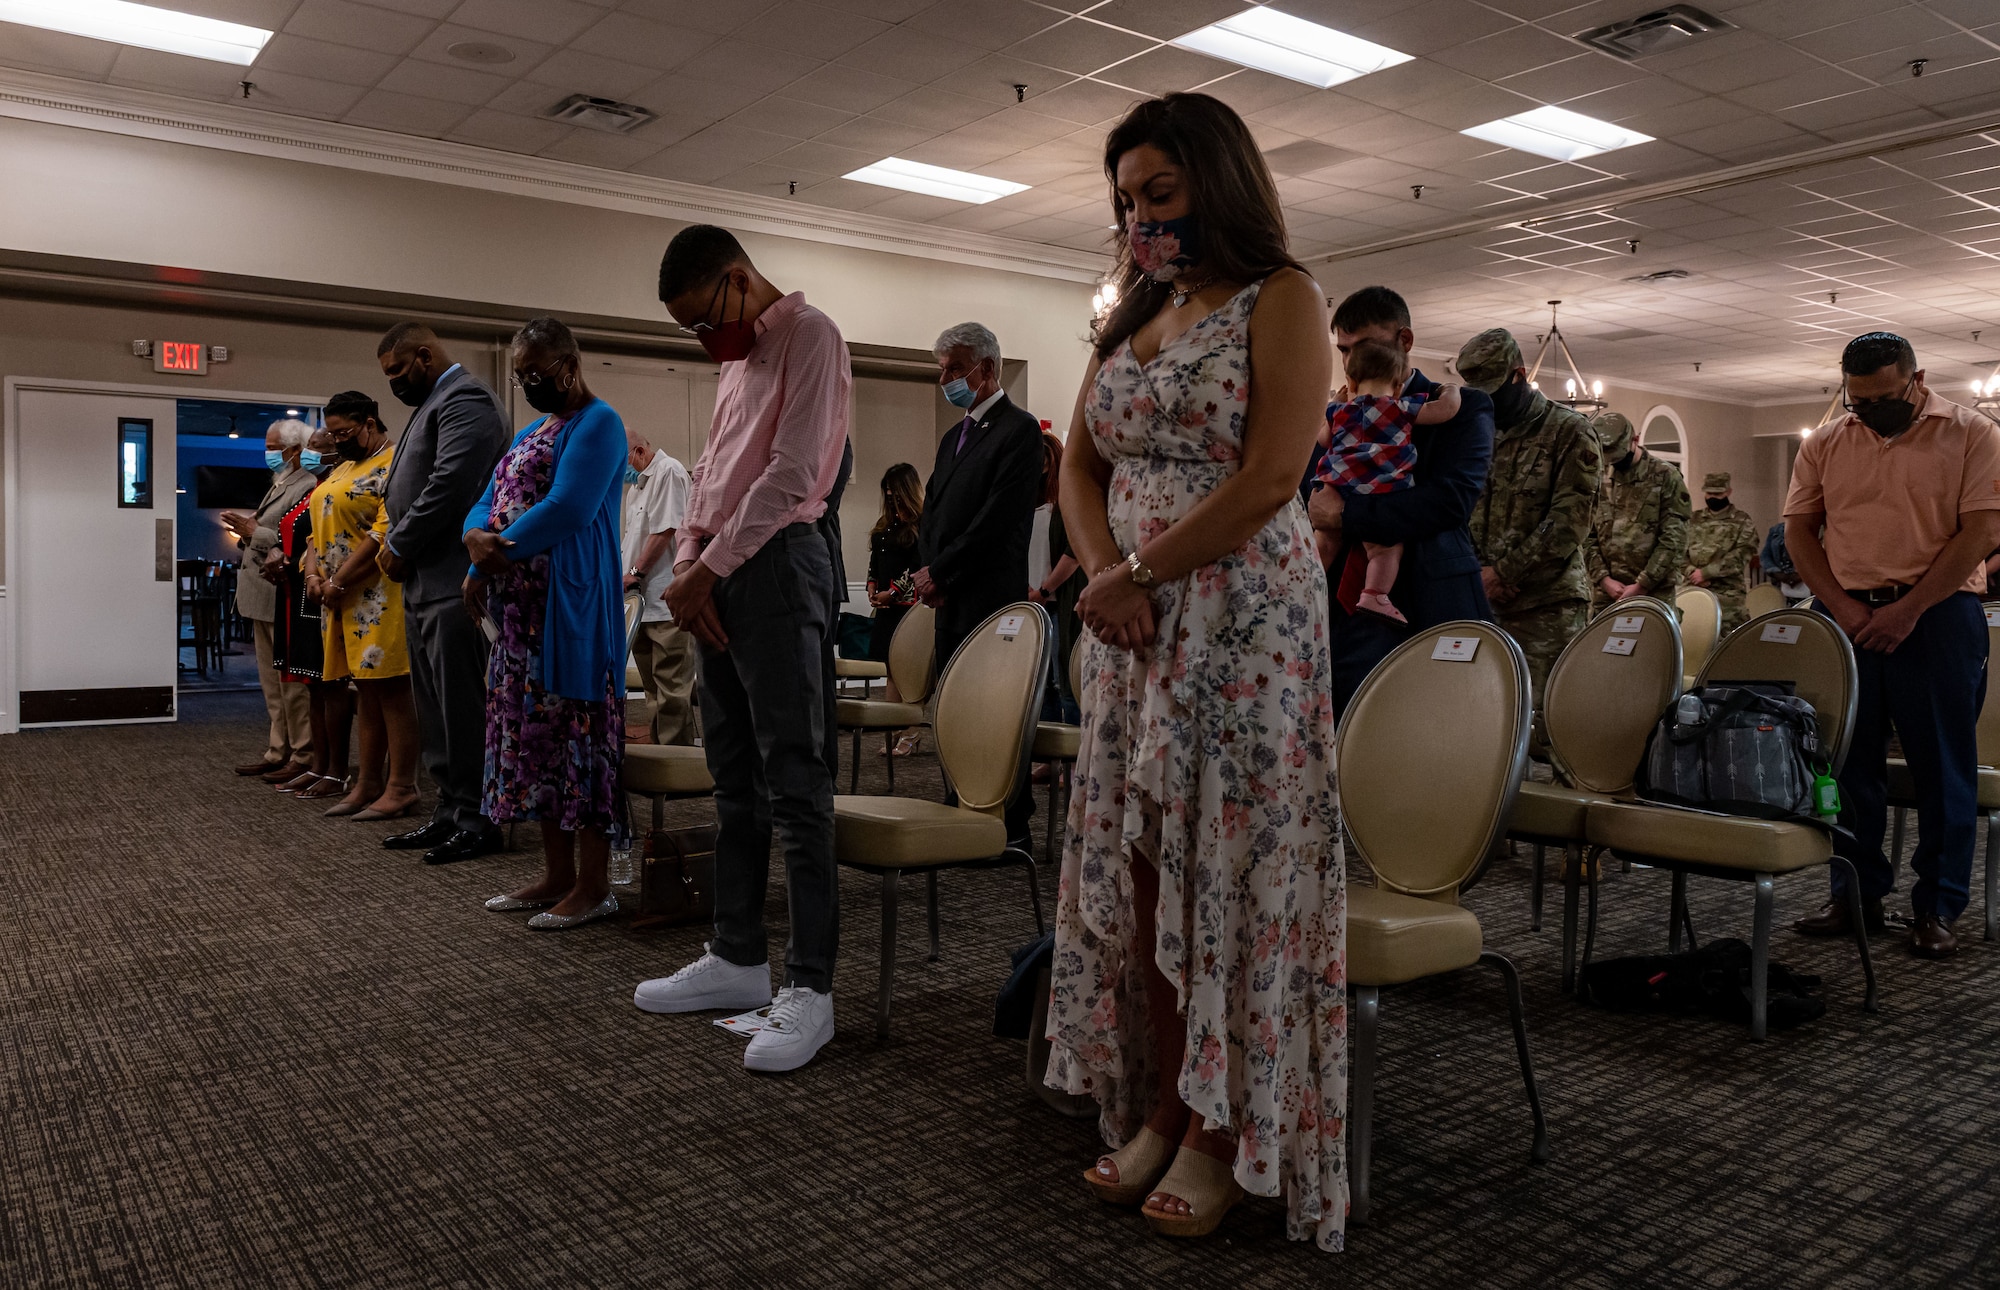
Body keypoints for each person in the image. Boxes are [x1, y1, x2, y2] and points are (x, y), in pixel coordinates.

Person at [1045, 92, 1347, 1252]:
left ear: (1214, 184)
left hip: (1240, 624)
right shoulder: (1128, 320)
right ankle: (1169, 1105)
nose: (1139, 219)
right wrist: (1101, 576)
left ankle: (1225, 1135)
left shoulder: (1284, 297)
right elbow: (1073, 463)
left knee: (1227, 877)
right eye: (1125, 201)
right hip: (1133, 629)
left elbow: (1274, 473)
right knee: (1147, 873)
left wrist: (1142, 572)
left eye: (1159, 194)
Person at [632, 224, 850, 1075]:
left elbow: (793, 474)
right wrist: (688, 564)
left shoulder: (811, 335)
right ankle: (737, 956)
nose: (702, 337)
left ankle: (810, 987)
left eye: (701, 318)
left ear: (736, 279)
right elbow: (716, 472)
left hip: (778, 564)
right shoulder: (733, 364)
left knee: (795, 780)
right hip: (717, 572)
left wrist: (707, 567)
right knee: (735, 782)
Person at [1788, 331, 2000, 959]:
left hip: (1937, 615)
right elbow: (1800, 531)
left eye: (1884, 398)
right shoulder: (1827, 441)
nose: (1871, 410)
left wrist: (1908, 610)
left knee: (1942, 766)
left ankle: (1937, 905)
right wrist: (1847, 608)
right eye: (1858, 401)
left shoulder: (1972, 433)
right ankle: (1854, 893)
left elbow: (1980, 532)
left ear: (1917, 379)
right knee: (1848, 766)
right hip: (1848, 614)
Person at [467, 318, 629, 931]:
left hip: (568, 612)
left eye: (536, 373)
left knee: (576, 744)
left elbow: (570, 507)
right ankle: (555, 875)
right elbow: (488, 496)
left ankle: (592, 885)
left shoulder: (601, 423)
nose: (528, 384)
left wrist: (492, 555)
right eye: (519, 375)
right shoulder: (536, 428)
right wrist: (473, 537)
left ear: (569, 364)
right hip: (518, 622)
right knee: (534, 745)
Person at [1306, 287, 1494, 717]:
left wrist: (1347, 515)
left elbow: (1449, 501)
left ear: (1404, 341)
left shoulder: (1460, 408)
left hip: (1423, 599)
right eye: (1343, 350)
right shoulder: (1339, 410)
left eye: (1363, 347)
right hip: (1337, 608)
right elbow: (1312, 491)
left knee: (1427, 744)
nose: (1350, 362)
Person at [374, 322, 513, 866]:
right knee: (434, 708)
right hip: (424, 583)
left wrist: (399, 543)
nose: (393, 384)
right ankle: (450, 810)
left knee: (462, 707)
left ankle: (480, 817)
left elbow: (451, 484)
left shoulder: (468, 399)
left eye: (396, 372)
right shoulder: (433, 401)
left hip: (456, 579)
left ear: (425, 357)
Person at [1456, 327, 1602, 722]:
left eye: (1494, 390)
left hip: (1547, 608)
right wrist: (1480, 574)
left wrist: (1504, 572)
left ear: (1519, 376)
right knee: (1487, 722)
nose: (1487, 402)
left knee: (1548, 722)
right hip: (1485, 602)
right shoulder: (1478, 433)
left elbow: (1568, 521)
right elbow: (1460, 508)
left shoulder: (1569, 431)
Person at [309, 391, 421, 822]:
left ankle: (401, 786)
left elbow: (383, 532)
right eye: (333, 433)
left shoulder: (393, 465)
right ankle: (367, 783)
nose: (338, 441)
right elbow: (316, 533)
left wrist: (337, 580)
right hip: (338, 597)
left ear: (370, 423)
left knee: (392, 692)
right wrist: (315, 577)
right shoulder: (343, 467)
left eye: (345, 432)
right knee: (365, 694)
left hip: (377, 594)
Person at [1314, 337, 1462, 623]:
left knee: (1324, 543)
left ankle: (1309, 586)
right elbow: (1445, 411)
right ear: (1397, 387)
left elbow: (1323, 440)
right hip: (1378, 488)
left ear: (1351, 383)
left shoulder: (1339, 411)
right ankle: (1375, 595)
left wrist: (1334, 404)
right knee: (1384, 549)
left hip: (1338, 484)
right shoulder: (1400, 408)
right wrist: (1451, 390)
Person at [225, 418, 320, 780]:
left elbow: (295, 539)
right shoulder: (281, 482)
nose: (267, 453)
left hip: (281, 594)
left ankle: (302, 752)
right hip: (262, 593)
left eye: (272, 447)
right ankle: (278, 748)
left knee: (289, 683)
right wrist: (248, 533)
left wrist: (254, 531)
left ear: (295, 450)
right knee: (271, 682)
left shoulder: (306, 484)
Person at [265, 432, 352, 804]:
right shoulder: (317, 487)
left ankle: (337, 769)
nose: (313, 452)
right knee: (314, 685)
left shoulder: (339, 482)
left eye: (321, 444)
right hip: (303, 588)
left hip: (328, 590)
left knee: (332, 685)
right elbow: (309, 540)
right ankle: (319, 765)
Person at [622, 429, 697, 746]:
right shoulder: (635, 489)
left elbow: (666, 530)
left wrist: (635, 572)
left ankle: (678, 763)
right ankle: (660, 760)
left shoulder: (669, 471)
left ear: (638, 451)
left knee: (671, 690)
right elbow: (632, 540)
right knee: (653, 690)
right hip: (641, 603)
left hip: (666, 601)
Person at [1584, 411, 1690, 616]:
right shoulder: (1598, 477)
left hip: (1653, 594)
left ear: (1635, 440)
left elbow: (1674, 540)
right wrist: (1604, 579)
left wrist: (1643, 584)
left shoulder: (1665, 476)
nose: (1613, 462)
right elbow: (1587, 534)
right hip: (1606, 596)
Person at [1029, 430, 1085, 725]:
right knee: (1041, 686)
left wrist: (1044, 588)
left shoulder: (1065, 501)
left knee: (1066, 683)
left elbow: (1073, 553)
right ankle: (1047, 762)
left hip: (1058, 600)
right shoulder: (1024, 502)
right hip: (1033, 602)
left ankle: (1072, 764)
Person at [866, 462, 924, 730]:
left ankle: (909, 733)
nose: (890, 496)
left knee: (907, 670)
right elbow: (876, 560)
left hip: (907, 605)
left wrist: (893, 592)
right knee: (890, 667)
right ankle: (893, 730)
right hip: (886, 604)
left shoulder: (919, 524)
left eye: (895, 491)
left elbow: (916, 566)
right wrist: (871, 584)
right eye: (887, 491)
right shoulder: (885, 524)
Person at [1685, 472, 1761, 633]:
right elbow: (1679, 552)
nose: (1713, 497)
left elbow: (1742, 554)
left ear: (1728, 492)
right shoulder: (1693, 519)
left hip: (1727, 596)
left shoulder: (1742, 521)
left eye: (1718, 494)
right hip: (1692, 589)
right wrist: (1692, 573)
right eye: (1709, 493)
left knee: (1728, 642)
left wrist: (1706, 573)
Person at [1761, 519, 1807, 601]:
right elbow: (1765, 556)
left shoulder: (1816, 530)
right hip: (1781, 585)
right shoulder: (1776, 530)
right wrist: (1778, 573)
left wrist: (1802, 575)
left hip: (1808, 587)